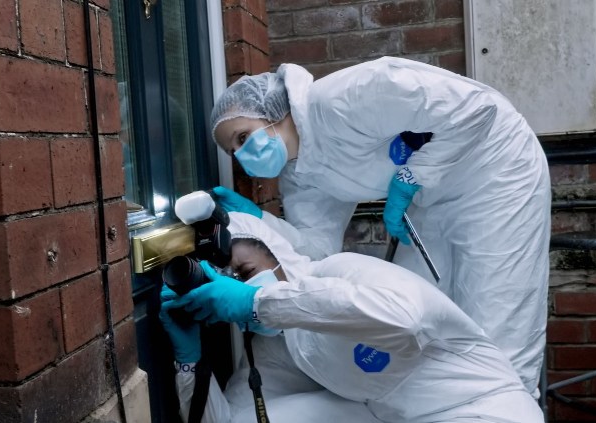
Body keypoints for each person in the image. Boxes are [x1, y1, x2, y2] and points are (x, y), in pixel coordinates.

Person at [206, 56, 551, 396]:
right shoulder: (300, 174)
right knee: (428, 315)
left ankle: (512, 404)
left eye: (242, 137)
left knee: (500, 324)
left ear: (272, 111)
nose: (241, 155)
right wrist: (262, 223)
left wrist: (411, 176)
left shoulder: (346, 96)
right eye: (232, 151)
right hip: (430, 199)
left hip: (497, 172)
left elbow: (476, 108)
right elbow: (316, 248)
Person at [161, 213, 543, 423]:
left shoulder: (339, 271)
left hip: (483, 409)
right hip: (385, 414)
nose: (240, 287)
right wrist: (189, 362)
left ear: (278, 254)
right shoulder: (271, 349)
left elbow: (404, 317)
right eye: (227, 283)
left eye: (244, 271)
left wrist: (258, 301)